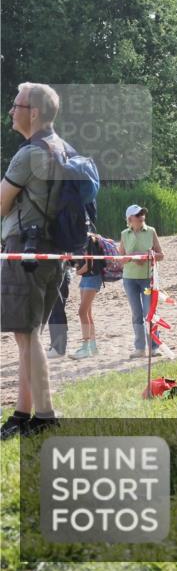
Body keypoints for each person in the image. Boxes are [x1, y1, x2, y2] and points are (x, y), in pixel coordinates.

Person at [0, 83, 75, 439]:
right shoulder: (63, 149)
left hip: (26, 251)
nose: (11, 111)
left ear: (34, 112)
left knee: (28, 336)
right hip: (51, 254)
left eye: (16, 105)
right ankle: (21, 414)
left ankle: (44, 417)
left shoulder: (29, 154)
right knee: (28, 336)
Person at [119, 204, 166, 358]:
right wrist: (132, 258)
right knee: (136, 314)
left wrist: (147, 256)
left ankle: (154, 347)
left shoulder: (151, 231)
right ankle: (139, 348)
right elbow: (121, 260)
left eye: (142, 214)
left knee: (149, 312)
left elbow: (161, 254)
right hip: (130, 279)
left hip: (148, 279)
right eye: (137, 215)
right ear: (129, 219)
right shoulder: (124, 234)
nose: (141, 216)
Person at [69, 232, 105, 359]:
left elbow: (89, 265)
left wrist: (76, 272)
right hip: (86, 278)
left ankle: (85, 348)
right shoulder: (81, 240)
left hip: (92, 277)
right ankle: (93, 347)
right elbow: (80, 262)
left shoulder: (89, 240)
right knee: (87, 313)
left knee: (82, 312)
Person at [44, 269, 72, 359]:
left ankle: (59, 349)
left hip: (58, 279)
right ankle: (55, 346)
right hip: (55, 277)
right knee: (53, 315)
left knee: (57, 313)